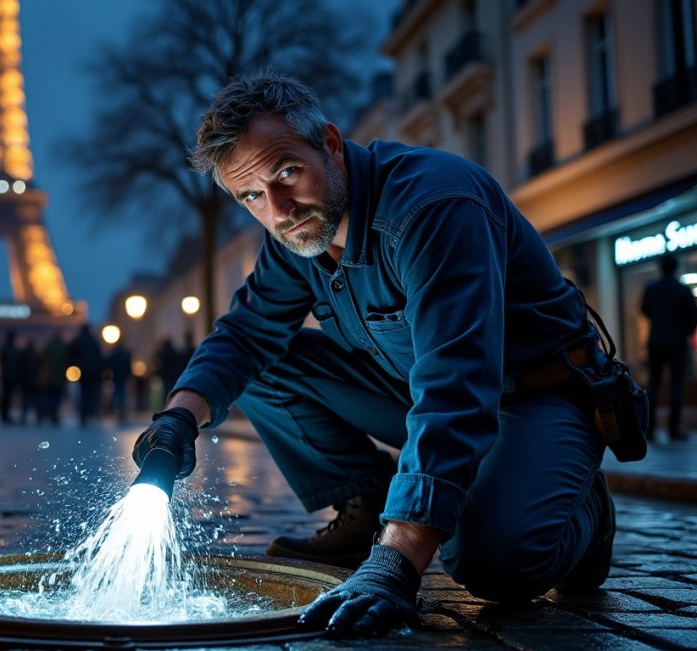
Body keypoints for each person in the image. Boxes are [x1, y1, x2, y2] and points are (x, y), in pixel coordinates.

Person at [131, 72, 632, 637]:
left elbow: (457, 385)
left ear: (331, 145)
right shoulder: (297, 231)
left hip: (538, 395)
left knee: (491, 562)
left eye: (287, 173)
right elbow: (245, 336)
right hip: (420, 389)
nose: (277, 210)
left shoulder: (434, 206)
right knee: (262, 365)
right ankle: (367, 505)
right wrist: (177, 420)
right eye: (250, 196)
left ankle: (584, 509)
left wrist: (397, 561)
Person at [641, 254, 697, 441]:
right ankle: (673, 429)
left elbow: (644, 309)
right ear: (676, 267)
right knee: (677, 386)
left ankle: (649, 429)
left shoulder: (651, 288)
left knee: (653, 385)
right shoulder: (682, 289)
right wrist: (684, 331)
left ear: (660, 267)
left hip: (656, 341)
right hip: (677, 343)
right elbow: (694, 316)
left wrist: (659, 323)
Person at [69, 324, 103, 427]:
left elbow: (71, 352)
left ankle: (83, 415)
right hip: (92, 372)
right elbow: (99, 356)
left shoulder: (78, 340)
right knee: (90, 394)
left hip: (83, 371)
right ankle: (89, 414)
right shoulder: (93, 341)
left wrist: (76, 364)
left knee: (83, 393)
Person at [105, 339, 132, 424]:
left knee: (117, 392)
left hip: (116, 375)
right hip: (123, 375)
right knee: (122, 393)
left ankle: (118, 411)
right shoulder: (125, 353)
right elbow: (128, 365)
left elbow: (109, 363)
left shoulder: (114, 353)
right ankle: (122, 411)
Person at [0, 329, 21, 424]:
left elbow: (0, 361)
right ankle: (5, 414)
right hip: (11, 376)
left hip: (5, 375)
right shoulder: (14, 349)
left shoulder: (4, 348)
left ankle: (4, 414)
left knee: (5, 395)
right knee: (8, 396)